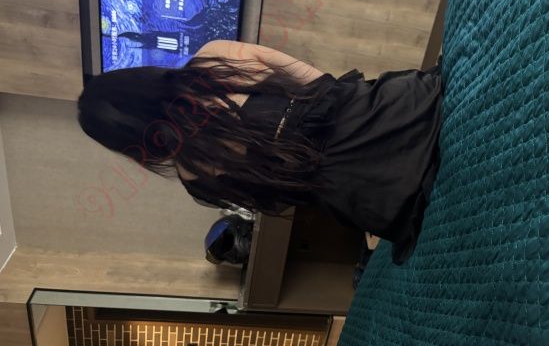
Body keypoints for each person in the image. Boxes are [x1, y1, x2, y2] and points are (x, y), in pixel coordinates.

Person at [77, 40, 443, 264]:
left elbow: (286, 199)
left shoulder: (196, 178)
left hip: (392, 201)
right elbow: (321, 83)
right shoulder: (214, 57)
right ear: (138, 78)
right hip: (410, 111)